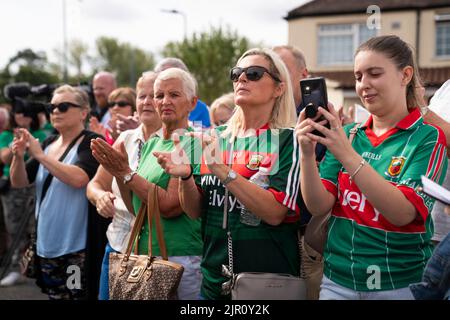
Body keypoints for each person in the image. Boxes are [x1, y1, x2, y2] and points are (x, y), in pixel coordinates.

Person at [295, 35, 448, 300]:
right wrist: (306, 155)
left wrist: (346, 153)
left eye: (374, 74)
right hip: (337, 280)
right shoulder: (349, 133)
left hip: (398, 283)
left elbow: (401, 213)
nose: (364, 85)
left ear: (405, 75)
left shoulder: (428, 137)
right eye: (358, 76)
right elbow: (318, 206)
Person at [154, 48, 301, 300]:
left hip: (264, 284)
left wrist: (221, 169)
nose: (242, 79)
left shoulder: (287, 139)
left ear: (279, 88)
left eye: (254, 74)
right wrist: (185, 177)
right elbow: (195, 210)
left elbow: (276, 213)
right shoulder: (215, 137)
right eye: (237, 73)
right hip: (212, 282)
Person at [90, 68, 203, 300]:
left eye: (174, 94)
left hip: (181, 258)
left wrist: (125, 172)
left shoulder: (196, 142)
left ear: (192, 103)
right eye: (158, 95)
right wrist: (119, 172)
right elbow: (137, 208)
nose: (163, 101)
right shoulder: (152, 143)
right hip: (147, 255)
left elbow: (170, 206)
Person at [9, 85, 103, 299]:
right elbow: (19, 181)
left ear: (84, 112)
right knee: (54, 296)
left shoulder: (91, 142)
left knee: (76, 297)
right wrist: (18, 155)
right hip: (46, 245)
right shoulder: (49, 143)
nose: (55, 112)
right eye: (51, 107)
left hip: (76, 249)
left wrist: (40, 155)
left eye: (63, 106)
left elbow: (79, 179)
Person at [86, 72, 162, 300]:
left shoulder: (175, 141)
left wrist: (125, 175)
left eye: (154, 95)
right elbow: (95, 183)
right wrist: (99, 197)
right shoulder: (125, 139)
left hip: (155, 251)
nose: (147, 101)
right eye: (142, 96)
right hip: (117, 244)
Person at [0, 108, 47, 287]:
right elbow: (4, 157)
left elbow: (41, 154)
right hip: (13, 187)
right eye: (18, 112)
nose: (21, 116)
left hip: (35, 184)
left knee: (35, 230)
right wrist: (18, 147)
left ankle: (35, 268)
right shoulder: (5, 135)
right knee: (14, 230)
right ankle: (15, 270)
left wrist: (30, 142)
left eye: (26, 112)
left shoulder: (41, 133)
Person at [155, 58, 211, 128]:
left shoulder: (203, 110)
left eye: (174, 95)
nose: (165, 102)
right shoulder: (148, 111)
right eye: (160, 96)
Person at [273, 45, 308, 114]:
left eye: (283, 70)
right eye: (272, 72)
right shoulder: (262, 113)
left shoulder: (321, 112)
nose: (275, 77)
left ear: (303, 74)